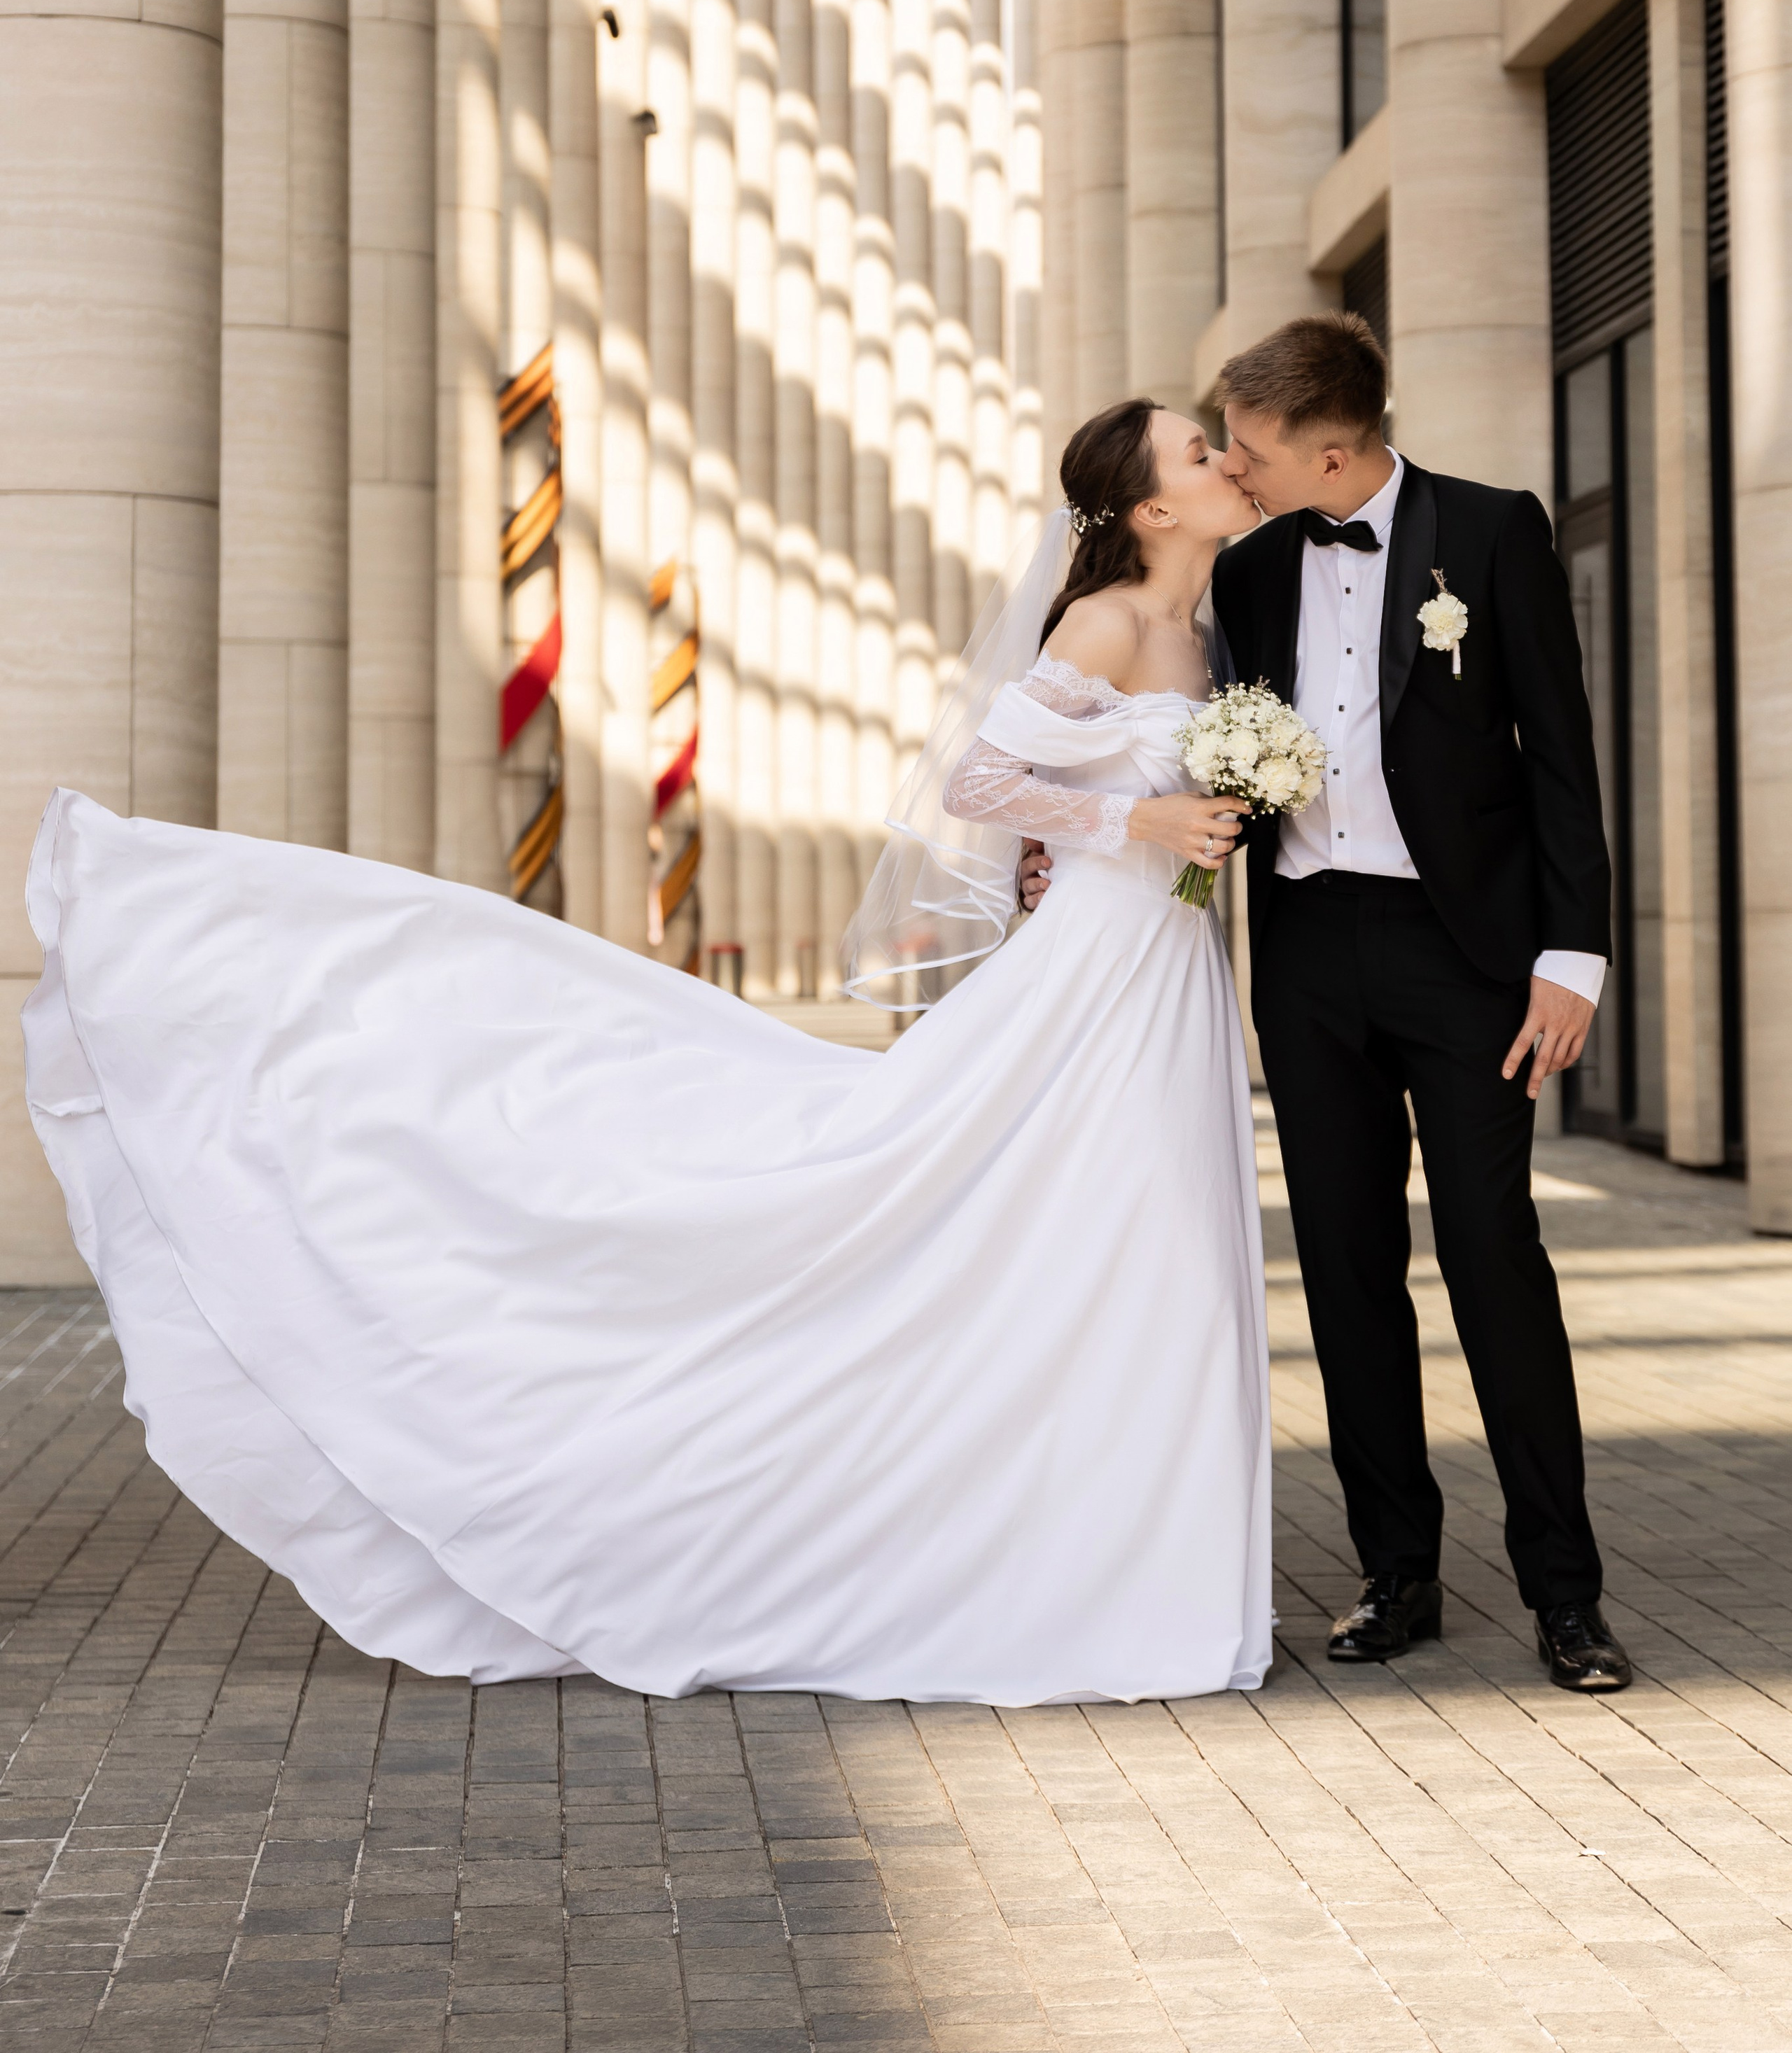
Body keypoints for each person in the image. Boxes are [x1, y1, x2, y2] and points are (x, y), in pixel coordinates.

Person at [22, 401, 1270, 1707]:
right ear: (1149, 510)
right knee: (1068, 1216)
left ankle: (1129, 1555)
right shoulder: (1110, 621)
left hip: (1165, 966)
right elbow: (980, 783)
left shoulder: (1204, 621)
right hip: (1098, 968)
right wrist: (1141, 813)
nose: (1224, 463)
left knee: (1142, 1239)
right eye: (1199, 453)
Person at [1211, 311, 1628, 1692]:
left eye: (1250, 447)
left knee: (1489, 1255)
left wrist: (1570, 958)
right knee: (1340, 1268)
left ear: (1332, 447)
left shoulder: (1493, 532)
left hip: (1466, 964)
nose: (1233, 465)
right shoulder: (1254, 565)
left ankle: (1563, 1594)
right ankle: (1396, 1574)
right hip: (1311, 950)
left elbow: (1561, 757)